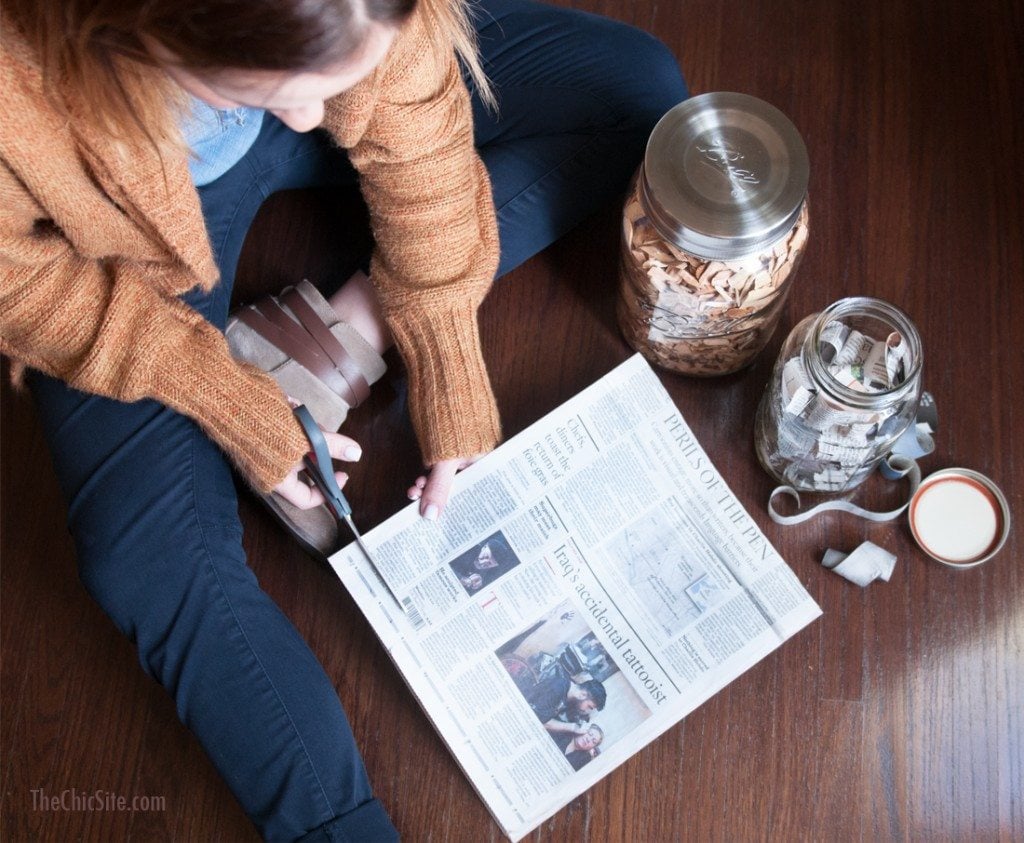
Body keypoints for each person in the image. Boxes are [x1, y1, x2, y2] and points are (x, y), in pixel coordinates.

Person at [1, 0, 687, 836]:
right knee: (149, 563)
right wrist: (218, 390)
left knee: (641, 92)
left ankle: (345, 328)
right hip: (111, 252)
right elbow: (21, 284)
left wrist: (435, 338)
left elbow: (411, 117)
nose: (304, 114)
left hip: (260, 130)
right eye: (272, 87)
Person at [450, 535, 518, 592]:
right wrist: (462, 579)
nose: (483, 562)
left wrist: (477, 587)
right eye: (485, 556)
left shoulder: (490, 576)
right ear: (484, 547)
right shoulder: (470, 548)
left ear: (495, 566)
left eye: (489, 563)